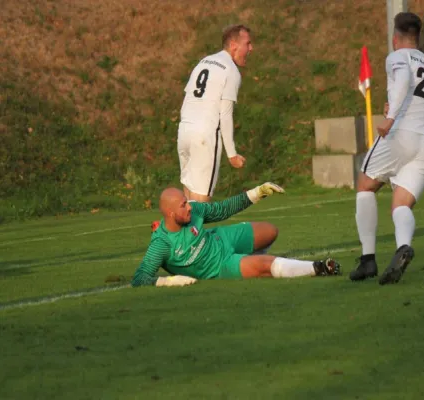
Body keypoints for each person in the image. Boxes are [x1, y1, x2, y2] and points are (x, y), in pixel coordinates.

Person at [350, 12, 424, 285]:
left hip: (403, 133)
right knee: (401, 204)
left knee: (365, 184)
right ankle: (403, 247)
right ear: (417, 36)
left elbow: (403, 82)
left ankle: (368, 259)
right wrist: (395, 107)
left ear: (395, 38)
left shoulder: (397, 57)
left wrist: (390, 118)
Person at [132, 183, 341, 287]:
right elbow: (140, 278)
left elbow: (223, 209)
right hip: (219, 266)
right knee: (265, 266)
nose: (189, 208)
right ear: (170, 213)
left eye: (187, 202)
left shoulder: (194, 210)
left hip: (221, 238)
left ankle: (252, 261)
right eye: (183, 205)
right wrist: (170, 281)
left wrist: (258, 192)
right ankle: (318, 267)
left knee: (270, 231)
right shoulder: (161, 243)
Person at [177, 24, 252, 203]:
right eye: (247, 44)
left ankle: (184, 232)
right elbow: (225, 115)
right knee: (201, 202)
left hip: (185, 131)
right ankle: (196, 231)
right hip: (205, 135)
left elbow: (188, 97)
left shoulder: (204, 61)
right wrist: (232, 154)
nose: (251, 48)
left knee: (187, 199)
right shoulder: (231, 71)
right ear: (234, 45)